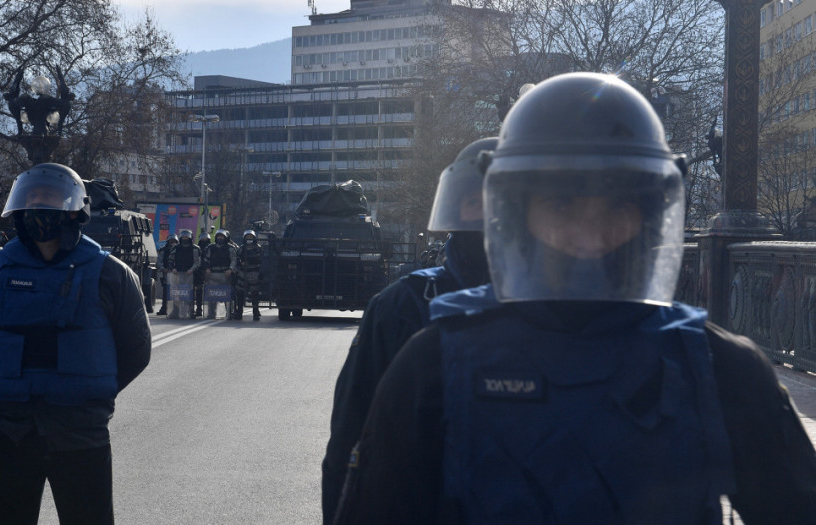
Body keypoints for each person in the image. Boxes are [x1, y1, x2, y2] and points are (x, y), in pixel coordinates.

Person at [333, 73, 816, 524]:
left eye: (616, 206)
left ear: (649, 212)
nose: (589, 237)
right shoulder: (433, 365)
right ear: (519, 210)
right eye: (562, 204)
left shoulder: (720, 367)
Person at [0, 162, 151, 524]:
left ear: (73, 208)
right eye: (32, 198)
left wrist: (89, 391)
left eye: (49, 198)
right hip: (10, 431)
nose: (39, 207)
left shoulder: (111, 272)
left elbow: (136, 350)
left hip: (81, 433)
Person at [322, 137, 498, 524]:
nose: (487, 216)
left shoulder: (563, 307)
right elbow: (350, 444)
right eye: (475, 202)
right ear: (455, 207)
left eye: (502, 201)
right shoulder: (404, 305)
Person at [203, 229, 237, 320]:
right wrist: (207, 269)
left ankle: (229, 312)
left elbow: (234, 260)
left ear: (226, 238)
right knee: (212, 294)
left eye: (222, 236)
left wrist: (230, 269)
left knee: (228, 295)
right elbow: (205, 259)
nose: (220, 238)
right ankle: (211, 313)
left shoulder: (230, 248)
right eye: (218, 236)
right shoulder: (210, 248)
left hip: (226, 275)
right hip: (213, 275)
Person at [168, 229, 200, 319]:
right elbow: (170, 260)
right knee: (176, 293)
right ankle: (175, 311)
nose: (185, 238)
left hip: (189, 274)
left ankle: (190, 310)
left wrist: (191, 270)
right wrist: (173, 268)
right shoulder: (176, 248)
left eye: (186, 237)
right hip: (177, 273)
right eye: (183, 237)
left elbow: (197, 262)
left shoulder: (195, 248)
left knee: (189, 292)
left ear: (190, 238)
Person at [233, 229, 265, 321]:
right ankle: (239, 311)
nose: (249, 238)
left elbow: (261, 259)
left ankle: (255, 312)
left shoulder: (258, 248)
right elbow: (237, 259)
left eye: (251, 237)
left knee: (255, 293)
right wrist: (241, 264)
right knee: (240, 292)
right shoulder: (241, 248)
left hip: (254, 272)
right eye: (247, 237)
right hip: (242, 272)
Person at [155, 233, 178, 316]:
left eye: (174, 241)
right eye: (171, 241)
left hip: (177, 274)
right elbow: (159, 261)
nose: (172, 243)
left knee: (176, 293)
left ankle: (175, 310)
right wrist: (163, 269)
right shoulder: (163, 250)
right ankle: (164, 308)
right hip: (166, 273)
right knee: (166, 292)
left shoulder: (179, 249)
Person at [195, 232, 211, 317]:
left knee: (212, 291)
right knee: (199, 290)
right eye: (203, 240)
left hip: (210, 272)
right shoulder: (197, 249)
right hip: (199, 272)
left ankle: (212, 309)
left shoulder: (211, 248)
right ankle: (198, 308)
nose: (204, 241)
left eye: (206, 240)